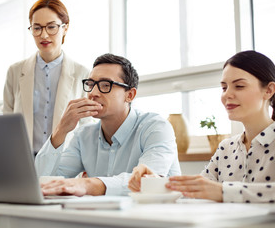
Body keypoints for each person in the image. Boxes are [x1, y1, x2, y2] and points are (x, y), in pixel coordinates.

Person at [128, 50, 275, 203]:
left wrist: (222, 191)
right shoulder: (227, 148)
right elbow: (196, 190)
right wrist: (154, 181)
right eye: (224, 88)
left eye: (239, 86)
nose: (227, 95)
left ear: (269, 90)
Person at [35, 53, 181, 196]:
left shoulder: (156, 127)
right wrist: (61, 130)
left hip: (159, 216)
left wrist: (88, 185)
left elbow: (146, 182)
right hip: (108, 218)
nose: (93, 93)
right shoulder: (83, 135)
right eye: (90, 84)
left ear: (129, 95)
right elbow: (43, 181)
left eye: (106, 85)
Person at [3, 0, 89, 153]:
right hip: (23, 158)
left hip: (64, 160)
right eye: (37, 28)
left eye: (51, 27)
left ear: (65, 27)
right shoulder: (15, 71)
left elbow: (86, 126)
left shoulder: (82, 73)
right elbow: (6, 121)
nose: (44, 35)